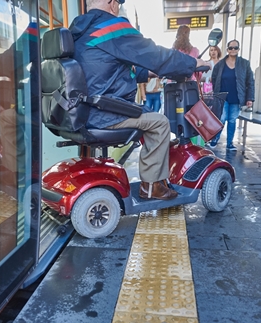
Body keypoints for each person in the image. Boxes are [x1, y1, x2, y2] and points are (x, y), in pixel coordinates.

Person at [69, 0, 209, 200]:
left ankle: (155, 175)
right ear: (111, 3)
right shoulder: (110, 27)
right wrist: (193, 62)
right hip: (104, 113)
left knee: (145, 116)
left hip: (81, 111)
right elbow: (155, 54)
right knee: (159, 122)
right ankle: (152, 186)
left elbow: (106, 69)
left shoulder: (78, 32)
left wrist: (149, 73)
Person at [209, 39, 254, 150]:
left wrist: (250, 98)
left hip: (237, 97)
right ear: (227, 49)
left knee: (232, 120)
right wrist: (215, 94)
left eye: (235, 48)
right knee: (222, 118)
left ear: (238, 49)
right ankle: (215, 139)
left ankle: (229, 143)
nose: (233, 50)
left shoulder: (245, 64)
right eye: (230, 48)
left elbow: (250, 81)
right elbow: (214, 79)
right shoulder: (220, 64)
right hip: (222, 97)